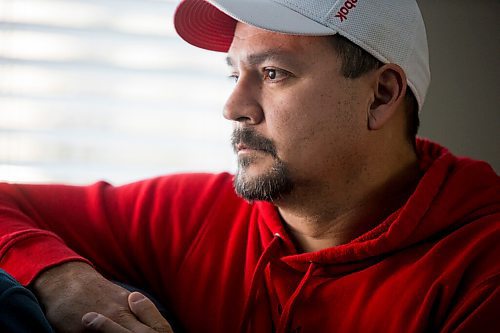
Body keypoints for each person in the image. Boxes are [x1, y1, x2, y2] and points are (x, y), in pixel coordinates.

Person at [0, 0, 499, 332]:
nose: (234, 106)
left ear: (382, 93)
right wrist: (60, 276)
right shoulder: (197, 214)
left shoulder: (481, 271)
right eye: (235, 73)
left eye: (273, 73)